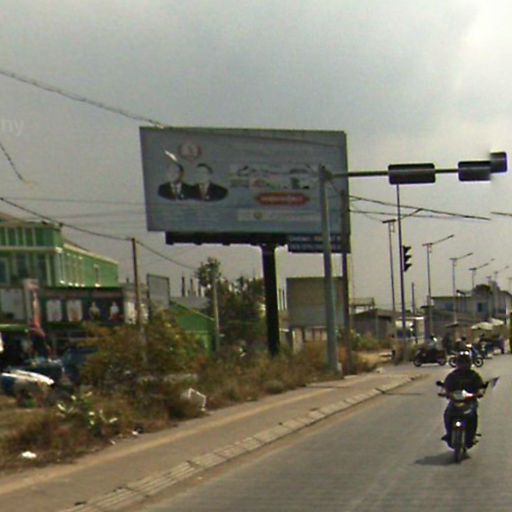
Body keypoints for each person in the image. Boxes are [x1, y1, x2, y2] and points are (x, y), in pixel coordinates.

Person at [440, 350, 486, 448]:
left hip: (469, 402)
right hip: (455, 401)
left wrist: (479, 392)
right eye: (461, 362)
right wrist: (444, 392)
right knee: (447, 414)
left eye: (465, 362)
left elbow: (480, 386)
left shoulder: (474, 375)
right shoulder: (452, 375)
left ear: (469, 363)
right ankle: (449, 434)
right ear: (457, 363)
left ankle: (471, 436)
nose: (463, 365)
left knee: (473, 415)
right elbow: (445, 386)